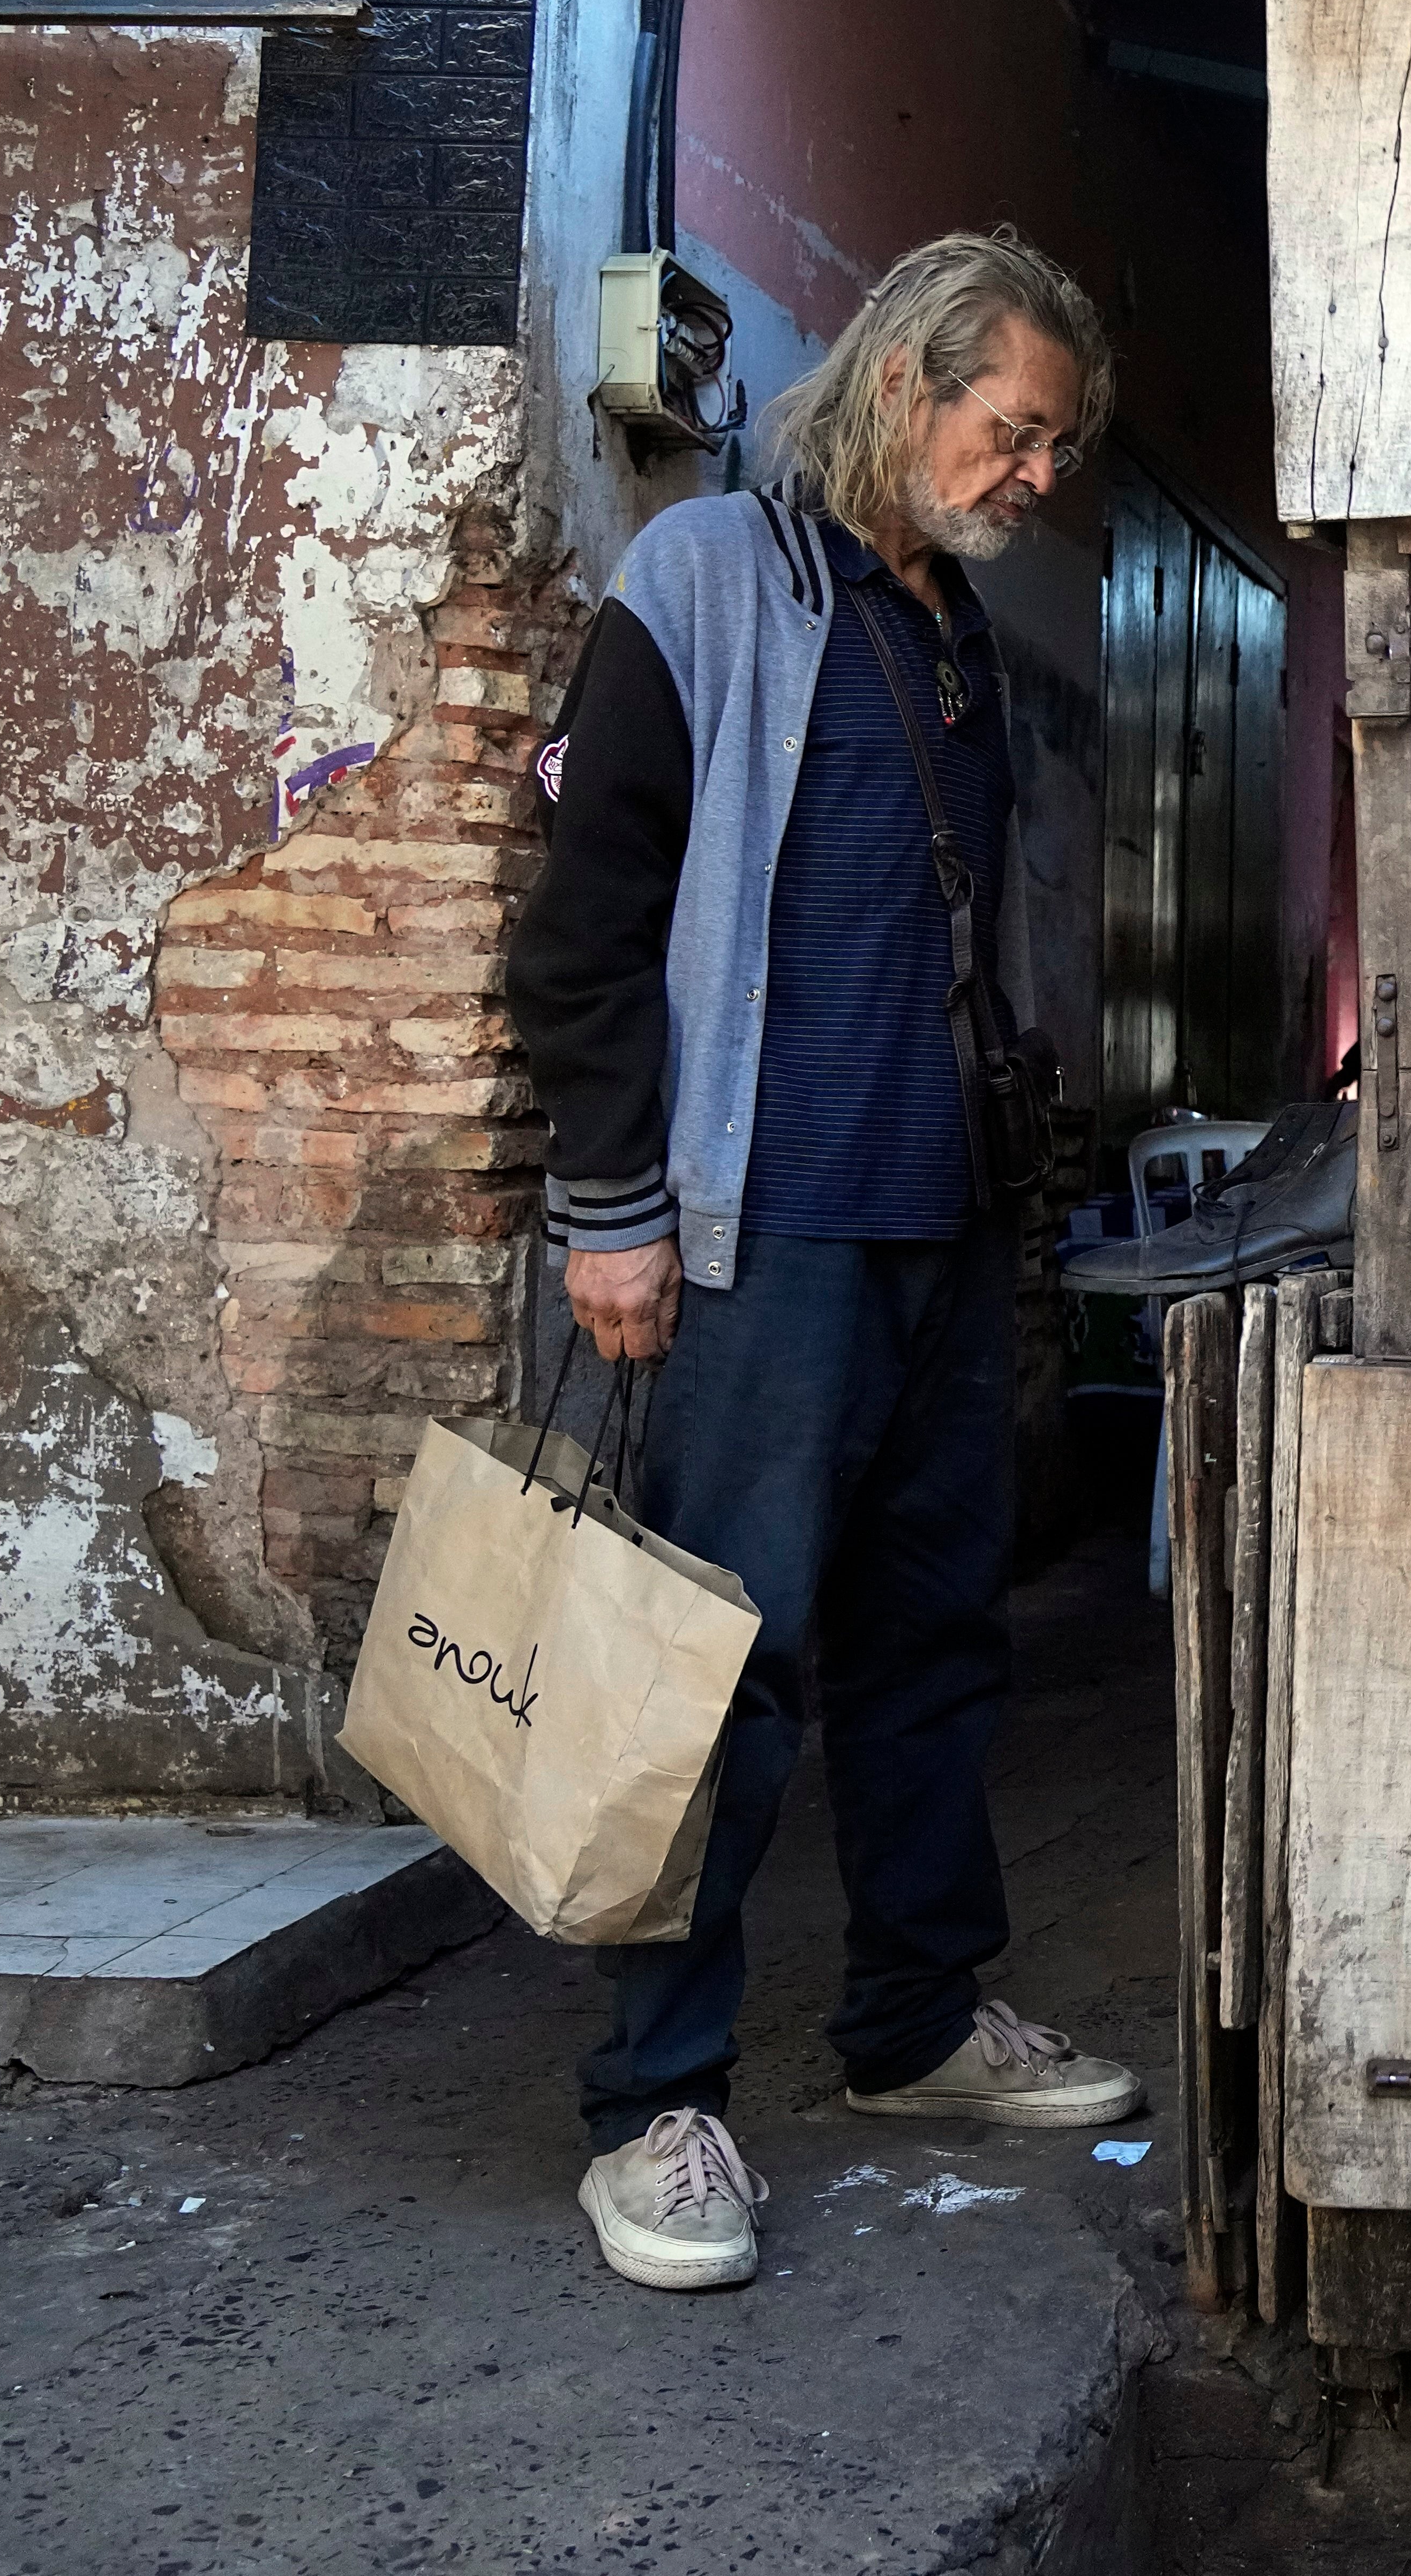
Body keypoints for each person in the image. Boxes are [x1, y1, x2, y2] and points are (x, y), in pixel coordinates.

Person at [504, 229, 1144, 2293]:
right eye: (1015, 429)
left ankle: (915, 2021)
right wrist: (612, 1209)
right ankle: (658, 2101)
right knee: (718, 1672)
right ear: (903, 385)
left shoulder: (951, 627)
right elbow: (586, 927)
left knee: (932, 1647)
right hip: (755, 1226)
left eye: (1054, 446)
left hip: (937, 1229)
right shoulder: (703, 579)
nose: (1037, 472)